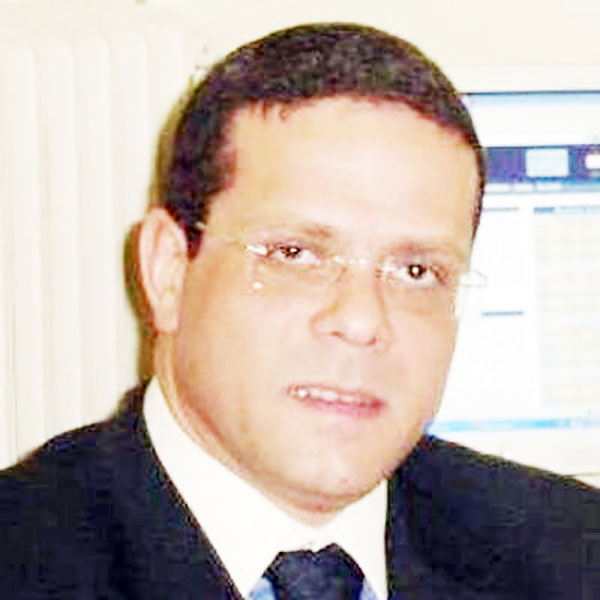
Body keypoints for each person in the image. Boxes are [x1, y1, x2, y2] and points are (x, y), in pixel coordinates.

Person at [1, 22, 599, 600]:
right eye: (294, 254)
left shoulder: (575, 554)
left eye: (417, 271)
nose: (362, 321)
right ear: (169, 271)